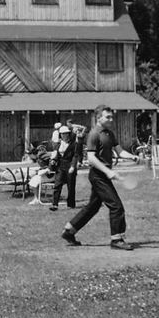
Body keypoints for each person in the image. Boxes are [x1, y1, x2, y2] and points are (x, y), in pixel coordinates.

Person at [60, 105, 138, 250]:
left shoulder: (109, 133)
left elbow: (120, 151)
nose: (111, 119)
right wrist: (108, 172)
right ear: (99, 118)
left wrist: (132, 157)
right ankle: (116, 239)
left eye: (111, 116)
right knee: (116, 207)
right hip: (98, 175)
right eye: (107, 117)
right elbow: (91, 158)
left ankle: (69, 231)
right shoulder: (94, 134)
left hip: (103, 175)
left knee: (92, 207)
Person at [49, 125, 79, 211]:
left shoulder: (73, 144)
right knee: (57, 185)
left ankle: (71, 204)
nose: (64, 135)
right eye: (62, 134)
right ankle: (55, 204)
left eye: (66, 134)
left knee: (71, 186)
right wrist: (52, 162)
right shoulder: (58, 144)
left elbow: (75, 156)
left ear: (68, 134)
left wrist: (73, 166)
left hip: (70, 165)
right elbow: (55, 155)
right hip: (60, 166)